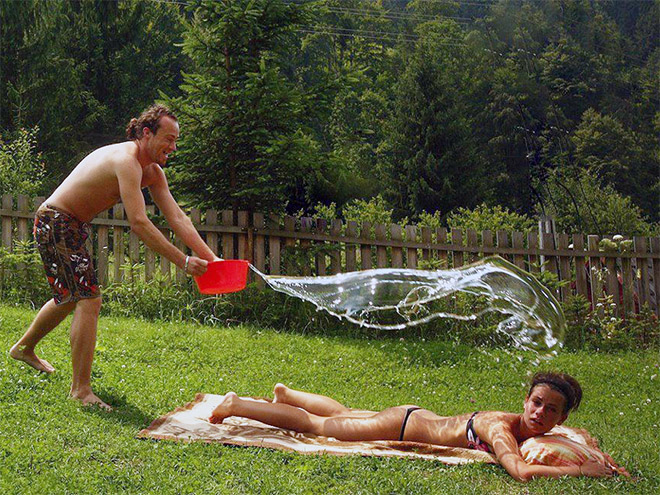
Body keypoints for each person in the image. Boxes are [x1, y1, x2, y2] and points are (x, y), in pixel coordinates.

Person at [10, 104, 218, 410]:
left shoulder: (153, 173)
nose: (173, 147)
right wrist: (183, 262)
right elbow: (139, 222)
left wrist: (212, 260)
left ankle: (23, 349)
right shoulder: (126, 161)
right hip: (56, 221)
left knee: (70, 296)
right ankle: (81, 391)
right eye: (169, 139)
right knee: (88, 298)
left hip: (69, 224)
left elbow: (177, 217)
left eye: (176, 141)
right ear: (146, 133)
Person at [209, 372, 629, 482]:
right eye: (536, 403)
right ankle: (237, 405)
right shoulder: (500, 430)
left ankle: (287, 394)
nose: (540, 413)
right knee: (320, 427)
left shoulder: (541, 430)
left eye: (551, 410)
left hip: (413, 416)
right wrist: (582, 471)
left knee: (348, 413)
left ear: (562, 419)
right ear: (525, 401)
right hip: (402, 426)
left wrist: (604, 463)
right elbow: (519, 471)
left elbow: (574, 442)